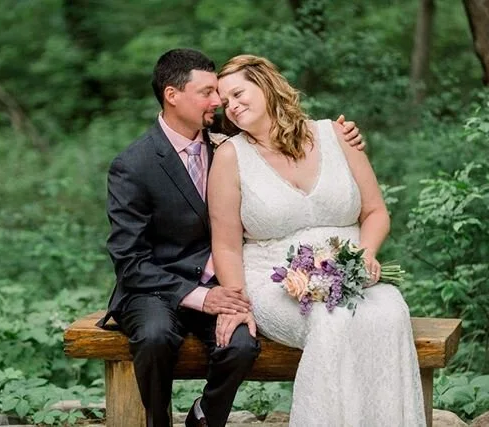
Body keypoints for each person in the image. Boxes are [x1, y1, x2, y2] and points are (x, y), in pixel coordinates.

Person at [103, 48, 364, 427]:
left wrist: (347, 138)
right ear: (173, 96)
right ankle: (157, 420)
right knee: (156, 338)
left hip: (223, 283)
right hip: (155, 288)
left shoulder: (229, 137)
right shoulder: (133, 165)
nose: (219, 103)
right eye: (208, 93)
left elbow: (286, 132)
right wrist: (204, 298)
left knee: (241, 346)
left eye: (220, 96)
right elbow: (130, 261)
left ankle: (205, 417)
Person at [208, 54, 425, 426]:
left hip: (352, 270)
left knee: (390, 312)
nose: (233, 106)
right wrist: (237, 303)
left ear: (265, 84)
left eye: (239, 93)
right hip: (274, 281)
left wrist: (365, 256)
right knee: (331, 320)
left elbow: (375, 212)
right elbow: (226, 244)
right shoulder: (230, 157)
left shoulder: (336, 135)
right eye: (225, 103)